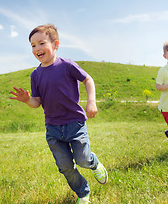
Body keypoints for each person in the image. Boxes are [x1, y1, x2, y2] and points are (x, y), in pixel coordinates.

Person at [10, 24, 108, 203]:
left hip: (75, 123)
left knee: (83, 160)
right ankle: (83, 193)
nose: (37, 48)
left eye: (41, 43)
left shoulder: (66, 65)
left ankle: (94, 164)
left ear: (55, 44)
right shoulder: (35, 75)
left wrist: (91, 102)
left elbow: (88, 79)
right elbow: (36, 102)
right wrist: (26, 100)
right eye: (33, 45)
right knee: (65, 167)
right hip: (53, 128)